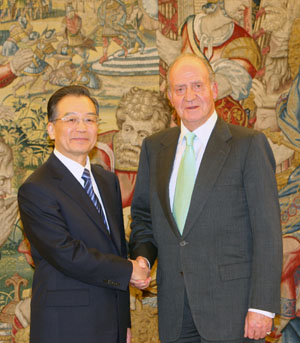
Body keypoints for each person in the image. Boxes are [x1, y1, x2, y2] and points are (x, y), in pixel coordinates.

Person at [129, 53, 282, 343]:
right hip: (175, 310)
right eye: (180, 88)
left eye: (197, 86)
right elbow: (144, 217)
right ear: (170, 97)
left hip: (233, 311)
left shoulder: (248, 145)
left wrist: (262, 306)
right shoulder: (153, 148)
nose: (190, 95)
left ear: (213, 90)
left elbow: (267, 231)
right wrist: (144, 258)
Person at [18, 85, 150, 343]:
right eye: (71, 119)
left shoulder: (107, 181)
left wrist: (123, 322)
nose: (82, 127)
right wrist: (128, 270)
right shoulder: (36, 188)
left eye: (89, 119)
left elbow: (116, 249)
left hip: (111, 326)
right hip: (66, 327)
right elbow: (67, 253)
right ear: (50, 129)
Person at [91, 87, 172, 208]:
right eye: (128, 129)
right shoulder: (101, 152)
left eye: (142, 134)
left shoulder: (164, 155)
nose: (133, 141)